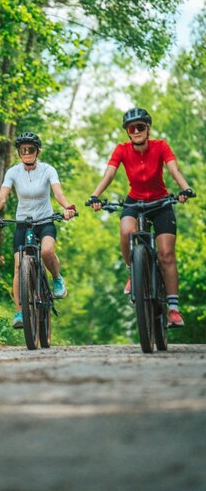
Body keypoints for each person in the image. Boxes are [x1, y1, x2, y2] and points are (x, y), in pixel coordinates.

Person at [87, 108, 194, 328]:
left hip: (161, 202)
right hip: (134, 201)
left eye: (140, 127)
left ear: (148, 128)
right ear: (127, 131)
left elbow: (174, 169)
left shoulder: (160, 146)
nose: (136, 131)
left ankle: (173, 309)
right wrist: (95, 195)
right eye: (131, 128)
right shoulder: (122, 150)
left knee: (166, 254)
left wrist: (185, 189)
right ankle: (132, 270)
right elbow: (109, 174)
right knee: (126, 230)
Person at [0, 132, 76, 329]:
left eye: (30, 149)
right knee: (18, 265)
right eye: (23, 150)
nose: (26, 153)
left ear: (37, 151)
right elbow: (2, 197)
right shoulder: (13, 172)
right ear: (18, 152)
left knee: (47, 251)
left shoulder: (48, 170)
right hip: (23, 223)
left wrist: (67, 207)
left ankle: (57, 280)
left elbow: (58, 192)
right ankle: (19, 312)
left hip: (45, 220)